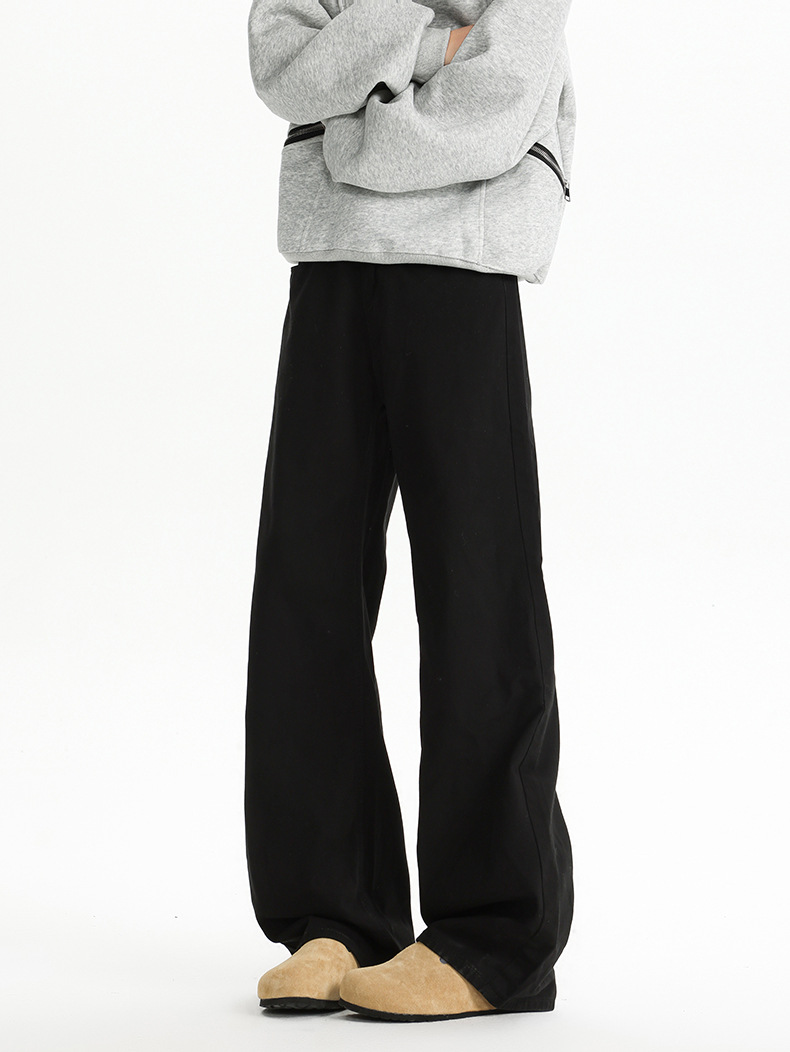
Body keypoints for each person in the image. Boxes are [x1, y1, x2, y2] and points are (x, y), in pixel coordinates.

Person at [243, 0, 576, 1023]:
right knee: (306, 590)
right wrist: (432, 36)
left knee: (478, 590)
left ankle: (495, 937)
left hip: (464, 259)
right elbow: (284, 71)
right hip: (333, 260)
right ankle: (336, 914)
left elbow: (497, 99)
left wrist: (354, 126)